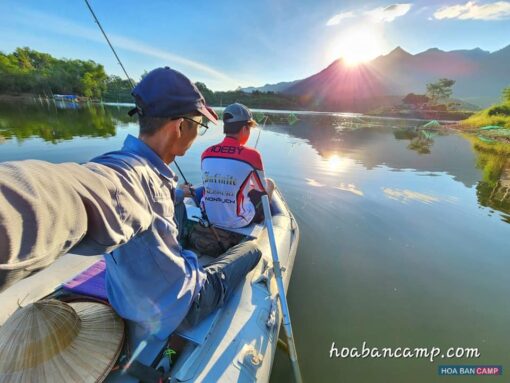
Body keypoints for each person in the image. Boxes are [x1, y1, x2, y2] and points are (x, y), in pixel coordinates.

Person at [0, 67, 262, 339]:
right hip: (181, 307)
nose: (198, 133)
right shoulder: (128, 179)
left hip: (123, 300)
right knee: (252, 249)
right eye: (200, 125)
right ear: (180, 126)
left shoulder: (127, 162)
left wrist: (180, 193)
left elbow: (152, 197)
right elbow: (78, 191)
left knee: (177, 203)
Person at [199, 103, 274, 230]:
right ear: (245, 128)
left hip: (208, 216)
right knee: (270, 184)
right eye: (249, 129)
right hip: (237, 221)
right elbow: (261, 189)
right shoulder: (252, 155)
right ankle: (263, 222)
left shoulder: (206, 153)